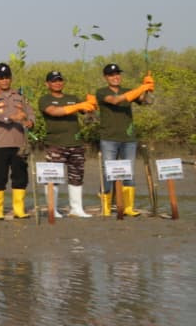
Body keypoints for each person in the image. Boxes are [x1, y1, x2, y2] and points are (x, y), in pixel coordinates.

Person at [96, 63, 154, 216]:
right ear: (105, 77)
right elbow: (116, 101)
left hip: (129, 138)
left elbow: (146, 101)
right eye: (111, 74)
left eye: (117, 74)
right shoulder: (101, 92)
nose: (115, 77)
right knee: (109, 172)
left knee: (129, 172)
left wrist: (148, 88)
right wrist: (140, 88)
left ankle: (128, 207)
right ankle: (106, 207)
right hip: (109, 138)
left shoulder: (129, 90)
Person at [39, 70, 98, 217]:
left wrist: (91, 105)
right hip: (56, 144)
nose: (57, 83)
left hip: (76, 143)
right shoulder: (45, 99)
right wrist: (78, 106)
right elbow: (55, 112)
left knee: (77, 176)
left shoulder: (72, 98)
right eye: (53, 80)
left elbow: (89, 114)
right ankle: (53, 209)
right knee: (53, 177)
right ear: (47, 84)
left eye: (60, 80)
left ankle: (76, 209)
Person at [0, 63, 35, 220]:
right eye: (1, 77)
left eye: (7, 77)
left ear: (11, 78)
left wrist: (30, 121)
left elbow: (31, 113)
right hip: (0, 144)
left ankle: (19, 210)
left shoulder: (20, 96)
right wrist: (11, 117)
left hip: (19, 143)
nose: (4, 80)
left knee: (20, 176)